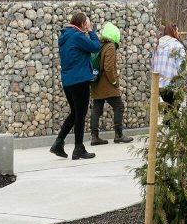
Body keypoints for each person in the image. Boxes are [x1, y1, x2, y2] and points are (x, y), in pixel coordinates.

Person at [51, 12, 100, 160]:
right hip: (80, 81)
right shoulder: (77, 36)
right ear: (83, 23)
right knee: (80, 115)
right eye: (86, 23)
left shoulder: (64, 36)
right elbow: (96, 47)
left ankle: (58, 143)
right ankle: (78, 148)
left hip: (68, 82)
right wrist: (90, 30)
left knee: (75, 113)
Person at [90, 22, 133, 146]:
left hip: (96, 82)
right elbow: (108, 68)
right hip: (107, 84)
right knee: (119, 106)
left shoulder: (100, 45)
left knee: (97, 109)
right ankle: (118, 135)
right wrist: (114, 82)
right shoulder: (110, 47)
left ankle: (94, 136)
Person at [152, 24, 186, 105]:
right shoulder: (177, 45)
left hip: (158, 84)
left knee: (167, 109)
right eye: (177, 31)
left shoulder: (158, 45)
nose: (178, 33)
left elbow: (152, 63)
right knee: (173, 111)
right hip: (171, 85)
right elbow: (182, 67)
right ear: (173, 32)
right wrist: (184, 82)